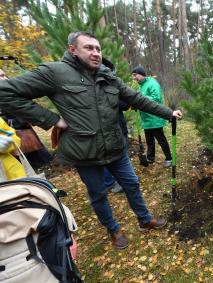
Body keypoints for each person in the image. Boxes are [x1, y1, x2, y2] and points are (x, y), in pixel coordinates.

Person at [0, 31, 183, 249]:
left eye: (97, 48)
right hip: (84, 152)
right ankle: (113, 230)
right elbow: (5, 92)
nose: (95, 52)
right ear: (72, 49)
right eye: (88, 47)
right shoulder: (55, 73)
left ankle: (145, 219)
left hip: (115, 147)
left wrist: (167, 112)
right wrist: (51, 119)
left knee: (132, 184)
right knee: (98, 195)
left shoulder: (107, 75)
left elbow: (135, 98)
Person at [132, 67, 173, 167]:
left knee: (161, 139)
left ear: (141, 74)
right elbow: (140, 99)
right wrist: (136, 104)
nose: (134, 78)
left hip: (154, 117)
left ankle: (169, 158)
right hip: (146, 118)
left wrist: (140, 98)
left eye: (135, 75)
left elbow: (156, 99)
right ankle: (150, 158)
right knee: (149, 140)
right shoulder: (140, 86)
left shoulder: (152, 83)